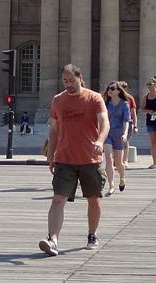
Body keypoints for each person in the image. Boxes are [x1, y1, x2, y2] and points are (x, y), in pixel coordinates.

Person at [38, 64, 109, 256]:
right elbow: (53, 131)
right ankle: (53, 239)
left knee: (93, 199)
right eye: (65, 81)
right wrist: (51, 156)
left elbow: (104, 122)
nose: (68, 84)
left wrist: (100, 141)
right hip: (65, 158)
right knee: (58, 199)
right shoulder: (57, 101)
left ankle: (92, 234)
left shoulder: (94, 98)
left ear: (80, 78)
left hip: (90, 158)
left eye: (71, 80)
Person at [102, 82, 130, 195]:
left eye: (112, 88)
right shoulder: (105, 103)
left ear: (119, 91)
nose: (109, 90)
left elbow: (126, 121)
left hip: (119, 134)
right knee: (108, 158)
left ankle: (122, 177)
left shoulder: (124, 104)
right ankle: (111, 185)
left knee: (119, 163)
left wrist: (124, 134)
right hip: (107, 132)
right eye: (108, 88)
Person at [118, 81, 138, 167]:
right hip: (115, 123)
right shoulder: (113, 98)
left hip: (127, 123)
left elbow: (133, 113)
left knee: (125, 141)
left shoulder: (130, 99)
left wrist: (135, 126)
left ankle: (125, 160)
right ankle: (118, 160)